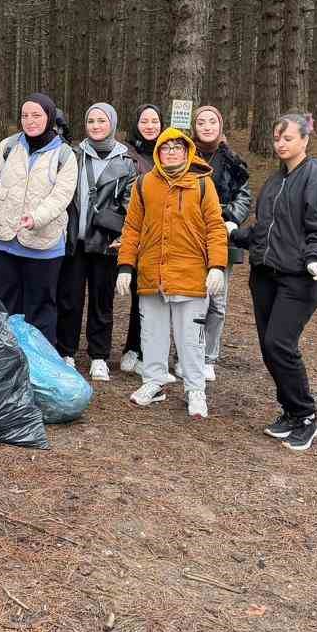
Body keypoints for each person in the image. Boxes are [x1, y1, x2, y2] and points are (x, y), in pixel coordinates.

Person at [233, 110, 317, 452]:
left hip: (299, 279)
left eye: (288, 138)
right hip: (265, 274)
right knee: (269, 347)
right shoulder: (276, 180)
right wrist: (237, 234)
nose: (281, 144)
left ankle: (307, 416)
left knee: (281, 343)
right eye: (277, 138)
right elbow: (268, 229)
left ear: (305, 140)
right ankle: (291, 411)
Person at [115, 128, 228, 416]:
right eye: (166, 148)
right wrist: (125, 266)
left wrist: (216, 266)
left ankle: (195, 389)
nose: (172, 152)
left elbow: (215, 228)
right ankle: (153, 381)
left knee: (191, 337)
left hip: (190, 275)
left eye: (178, 147)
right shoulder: (144, 184)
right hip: (152, 274)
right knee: (152, 333)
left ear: (187, 151)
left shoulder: (203, 184)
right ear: (158, 152)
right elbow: (132, 229)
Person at [0, 93, 78, 341]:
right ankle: (6, 361)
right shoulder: (7, 146)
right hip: (1, 240)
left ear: (49, 117)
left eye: (36, 115)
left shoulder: (64, 155)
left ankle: (40, 366)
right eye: (25, 116)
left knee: (40, 308)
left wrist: (36, 218)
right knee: (3, 306)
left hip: (43, 244)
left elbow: (61, 196)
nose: (30, 121)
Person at [56, 103, 138, 381]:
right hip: (75, 241)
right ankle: (66, 351)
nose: (96, 126)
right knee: (70, 299)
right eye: (91, 120)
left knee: (102, 302)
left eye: (102, 121)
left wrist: (123, 236)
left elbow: (131, 205)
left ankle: (99, 356)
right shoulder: (73, 156)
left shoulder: (127, 162)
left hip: (106, 244)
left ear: (112, 124)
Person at [190, 106, 252, 384]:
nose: (206, 126)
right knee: (190, 299)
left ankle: (208, 357)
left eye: (211, 121)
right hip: (190, 234)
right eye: (201, 122)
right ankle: (186, 354)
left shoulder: (233, 159)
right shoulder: (184, 155)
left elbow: (244, 195)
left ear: (220, 125)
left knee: (217, 300)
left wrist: (231, 220)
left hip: (221, 235)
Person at [119, 103, 164, 375]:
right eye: (144, 121)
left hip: (164, 236)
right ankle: (132, 347)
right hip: (136, 232)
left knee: (158, 296)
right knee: (138, 295)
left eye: (155, 121)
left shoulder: (170, 152)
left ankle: (153, 351)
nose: (150, 126)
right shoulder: (127, 155)